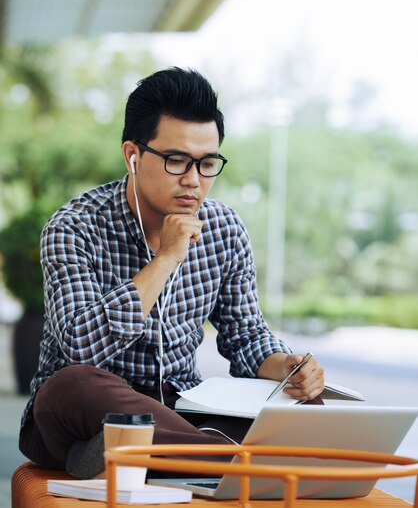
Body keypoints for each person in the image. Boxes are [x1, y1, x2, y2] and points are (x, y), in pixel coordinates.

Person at [19, 67, 324, 478]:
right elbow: (81, 346)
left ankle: (143, 454)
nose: (193, 181)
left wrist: (288, 365)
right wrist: (165, 258)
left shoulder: (225, 228)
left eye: (207, 163)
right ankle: (234, 464)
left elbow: (245, 335)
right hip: (78, 414)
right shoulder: (73, 227)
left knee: (304, 405)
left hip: (178, 410)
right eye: (177, 161)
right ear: (132, 155)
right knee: (72, 385)